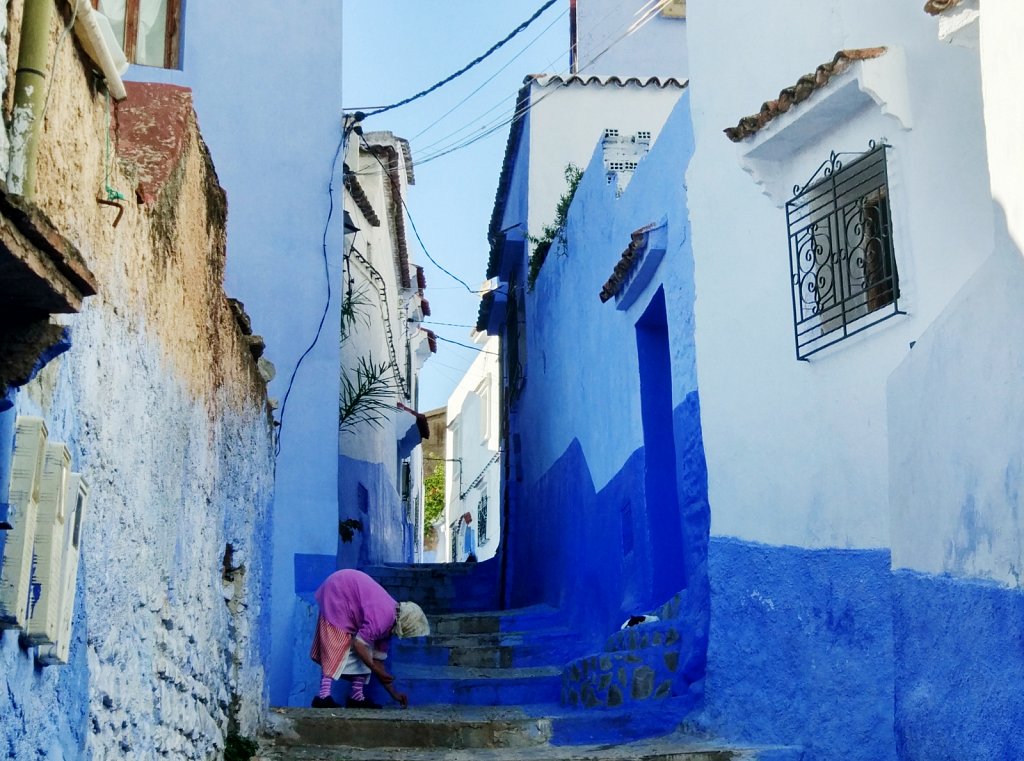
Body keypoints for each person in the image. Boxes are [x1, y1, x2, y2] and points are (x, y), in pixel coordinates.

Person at [309, 569, 430, 709]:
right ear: (406, 625)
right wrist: (376, 669)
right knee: (335, 643)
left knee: (367, 653)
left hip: (345, 590)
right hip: (337, 590)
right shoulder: (383, 618)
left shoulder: (389, 624)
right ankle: (323, 696)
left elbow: (377, 660)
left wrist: (394, 694)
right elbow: (359, 645)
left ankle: (356, 696)